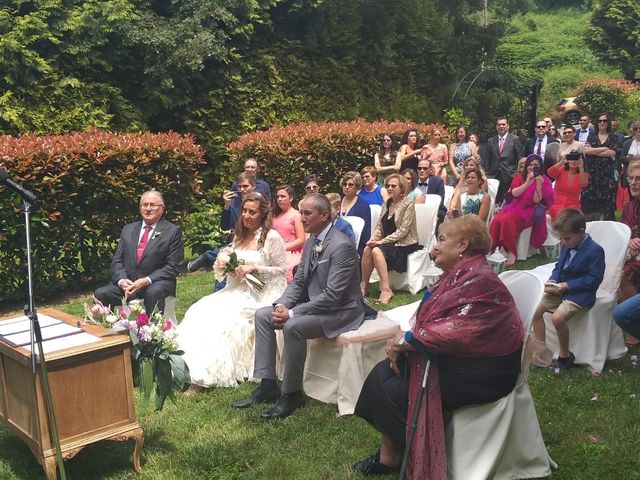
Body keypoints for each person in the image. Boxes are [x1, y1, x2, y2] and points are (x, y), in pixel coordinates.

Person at [352, 215, 523, 478]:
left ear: (462, 245)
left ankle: (398, 454)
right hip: (466, 360)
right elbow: (438, 322)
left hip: (487, 372)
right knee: (382, 374)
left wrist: (407, 341)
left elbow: (458, 330)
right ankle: (391, 454)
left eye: (441, 240)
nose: (434, 249)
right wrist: (407, 339)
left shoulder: (480, 280)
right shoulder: (460, 274)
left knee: (391, 385)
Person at [233, 193, 365, 420]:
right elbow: (301, 281)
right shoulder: (313, 240)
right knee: (264, 315)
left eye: (306, 213)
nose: (301, 218)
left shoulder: (342, 246)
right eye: (301, 212)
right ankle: (267, 385)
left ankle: (292, 394)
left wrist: (292, 312)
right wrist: (281, 305)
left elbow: (333, 296)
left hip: (342, 311)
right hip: (317, 304)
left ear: (324, 216)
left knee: (293, 326)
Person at [178, 193, 287, 392]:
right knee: (199, 310)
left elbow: (281, 271)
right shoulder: (239, 235)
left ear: (262, 214)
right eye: (244, 211)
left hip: (260, 293)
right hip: (235, 289)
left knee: (223, 320)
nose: (246, 216)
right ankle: (184, 370)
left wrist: (255, 268)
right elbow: (232, 268)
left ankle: (201, 379)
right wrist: (227, 267)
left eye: (252, 212)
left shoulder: (272, 237)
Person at [530, 209, 605, 372]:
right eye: (561, 238)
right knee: (535, 312)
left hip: (580, 294)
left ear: (581, 232)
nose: (563, 242)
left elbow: (594, 279)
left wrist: (568, 286)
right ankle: (542, 351)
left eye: (567, 238)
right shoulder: (567, 245)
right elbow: (559, 267)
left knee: (558, 318)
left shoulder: (595, 251)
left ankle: (565, 356)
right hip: (560, 289)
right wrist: (553, 280)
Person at [94, 190, 184, 314]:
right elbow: (117, 261)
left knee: (154, 292)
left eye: (152, 205)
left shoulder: (172, 231)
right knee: (100, 294)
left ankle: (152, 331)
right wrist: (121, 281)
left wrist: (146, 280)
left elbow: (173, 267)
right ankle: (107, 328)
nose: (148, 208)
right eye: (144, 205)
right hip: (128, 284)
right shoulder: (128, 229)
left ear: (162, 209)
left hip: (155, 283)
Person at [360, 174, 422, 304]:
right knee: (367, 249)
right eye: (388, 185)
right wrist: (373, 240)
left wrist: (381, 242)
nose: (389, 188)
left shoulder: (408, 203)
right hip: (389, 242)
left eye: (393, 186)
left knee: (376, 251)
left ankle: (385, 289)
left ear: (402, 188)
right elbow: (379, 227)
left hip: (405, 243)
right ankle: (364, 286)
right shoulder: (387, 203)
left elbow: (403, 231)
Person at [489, 154, 555, 266]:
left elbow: (536, 200)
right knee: (497, 220)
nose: (532, 167)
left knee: (508, 220)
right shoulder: (519, 177)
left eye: (536, 165)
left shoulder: (544, 180)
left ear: (540, 167)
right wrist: (527, 182)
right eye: (530, 164)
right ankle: (492, 247)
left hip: (529, 209)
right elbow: (514, 193)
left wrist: (538, 185)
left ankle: (511, 251)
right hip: (514, 205)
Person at [187, 172, 256, 273]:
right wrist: (227, 206)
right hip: (236, 241)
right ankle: (209, 257)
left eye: (245, 186)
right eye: (239, 186)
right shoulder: (234, 203)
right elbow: (225, 226)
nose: (242, 189)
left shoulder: (260, 202)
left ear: (253, 186)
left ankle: (208, 256)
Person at [581, 113, 618, 221]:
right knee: (590, 199)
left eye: (604, 121)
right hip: (592, 173)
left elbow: (611, 153)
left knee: (606, 201)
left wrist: (594, 150)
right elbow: (586, 151)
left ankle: (606, 224)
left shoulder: (613, 136)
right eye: (600, 121)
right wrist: (604, 148)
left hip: (606, 174)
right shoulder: (591, 136)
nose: (602, 123)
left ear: (608, 123)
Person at [486, 117, 524, 205]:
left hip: (509, 175)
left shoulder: (515, 139)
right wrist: (487, 174)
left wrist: (518, 174)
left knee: (507, 202)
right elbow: (488, 159)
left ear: (508, 126)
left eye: (503, 124)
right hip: (493, 176)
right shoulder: (491, 140)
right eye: (499, 124)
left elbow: (520, 158)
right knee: (493, 202)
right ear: (496, 127)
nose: (501, 126)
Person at [272, 185, 304, 283]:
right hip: (274, 250)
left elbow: (301, 239)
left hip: (291, 253)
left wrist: (282, 247)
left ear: (291, 198)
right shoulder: (274, 215)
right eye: (277, 197)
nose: (279, 199)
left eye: (283, 196)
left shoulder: (296, 215)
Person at [546, 151, 589, 221]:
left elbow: (583, 183)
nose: (573, 161)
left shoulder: (583, 174)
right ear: (568, 160)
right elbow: (550, 172)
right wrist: (562, 162)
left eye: (576, 159)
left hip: (573, 204)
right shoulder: (561, 170)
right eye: (571, 159)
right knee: (559, 213)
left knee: (572, 217)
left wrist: (581, 168)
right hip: (557, 203)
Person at [339, 171, 371, 256]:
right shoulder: (337, 202)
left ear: (357, 187)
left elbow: (366, 231)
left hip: (356, 245)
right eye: (345, 184)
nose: (347, 187)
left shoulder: (363, 205)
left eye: (351, 185)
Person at [415, 158, 446, 224]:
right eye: (419, 168)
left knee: (440, 214)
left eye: (425, 168)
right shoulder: (413, 181)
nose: (422, 170)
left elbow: (439, 202)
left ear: (430, 170)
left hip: (434, 210)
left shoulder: (437, 181)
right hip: (415, 211)